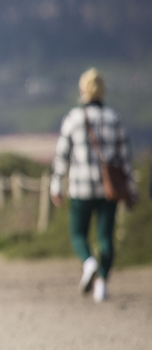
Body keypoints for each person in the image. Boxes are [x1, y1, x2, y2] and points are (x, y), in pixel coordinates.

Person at [49, 68, 138, 303]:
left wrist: (56, 184)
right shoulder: (114, 118)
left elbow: (62, 155)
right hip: (109, 190)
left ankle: (89, 262)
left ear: (82, 91)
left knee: (78, 233)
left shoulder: (73, 119)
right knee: (106, 236)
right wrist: (131, 186)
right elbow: (126, 158)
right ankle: (102, 283)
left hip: (81, 188)